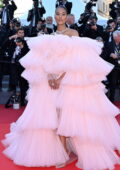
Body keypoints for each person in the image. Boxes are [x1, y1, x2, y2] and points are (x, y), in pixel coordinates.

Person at [2, 6, 120, 170]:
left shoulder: (74, 34)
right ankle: (60, 149)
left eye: (63, 14)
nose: (60, 17)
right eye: (57, 14)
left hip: (68, 81)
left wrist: (59, 77)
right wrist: (50, 76)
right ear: (54, 16)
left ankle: (65, 150)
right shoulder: (49, 36)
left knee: (66, 115)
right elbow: (45, 60)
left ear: (67, 17)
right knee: (54, 115)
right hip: (49, 82)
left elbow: (76, 61)